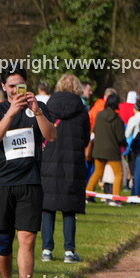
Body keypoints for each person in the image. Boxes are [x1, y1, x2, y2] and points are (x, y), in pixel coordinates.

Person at [0, 66, 56, 278]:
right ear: (3, 87)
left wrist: (38, 112)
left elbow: (51, 135)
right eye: (11, 86)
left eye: (20, 84)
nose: (15, 90)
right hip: (2, 183)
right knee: (4, 240)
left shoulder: (38, 109)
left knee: (28, 238)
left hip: (30, 182)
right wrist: (11, 113)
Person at [41, 73, 90, 263]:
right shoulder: (81, 110)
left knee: (48, 207)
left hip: (50, 160)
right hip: (73, 161)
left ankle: (47, 249)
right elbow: (86, 139)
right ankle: (69, 250)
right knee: (69, 208)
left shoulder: (49, 108)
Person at [86, 93, 127, 203]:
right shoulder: (117, 119)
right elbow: (120, 137)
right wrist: (126, 144)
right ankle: (116, 198)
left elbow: (94, 130)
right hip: (112, 151)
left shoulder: (99, 115)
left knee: (97, 172)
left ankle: (88, 194)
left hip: (98, 149)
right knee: (118, 174)